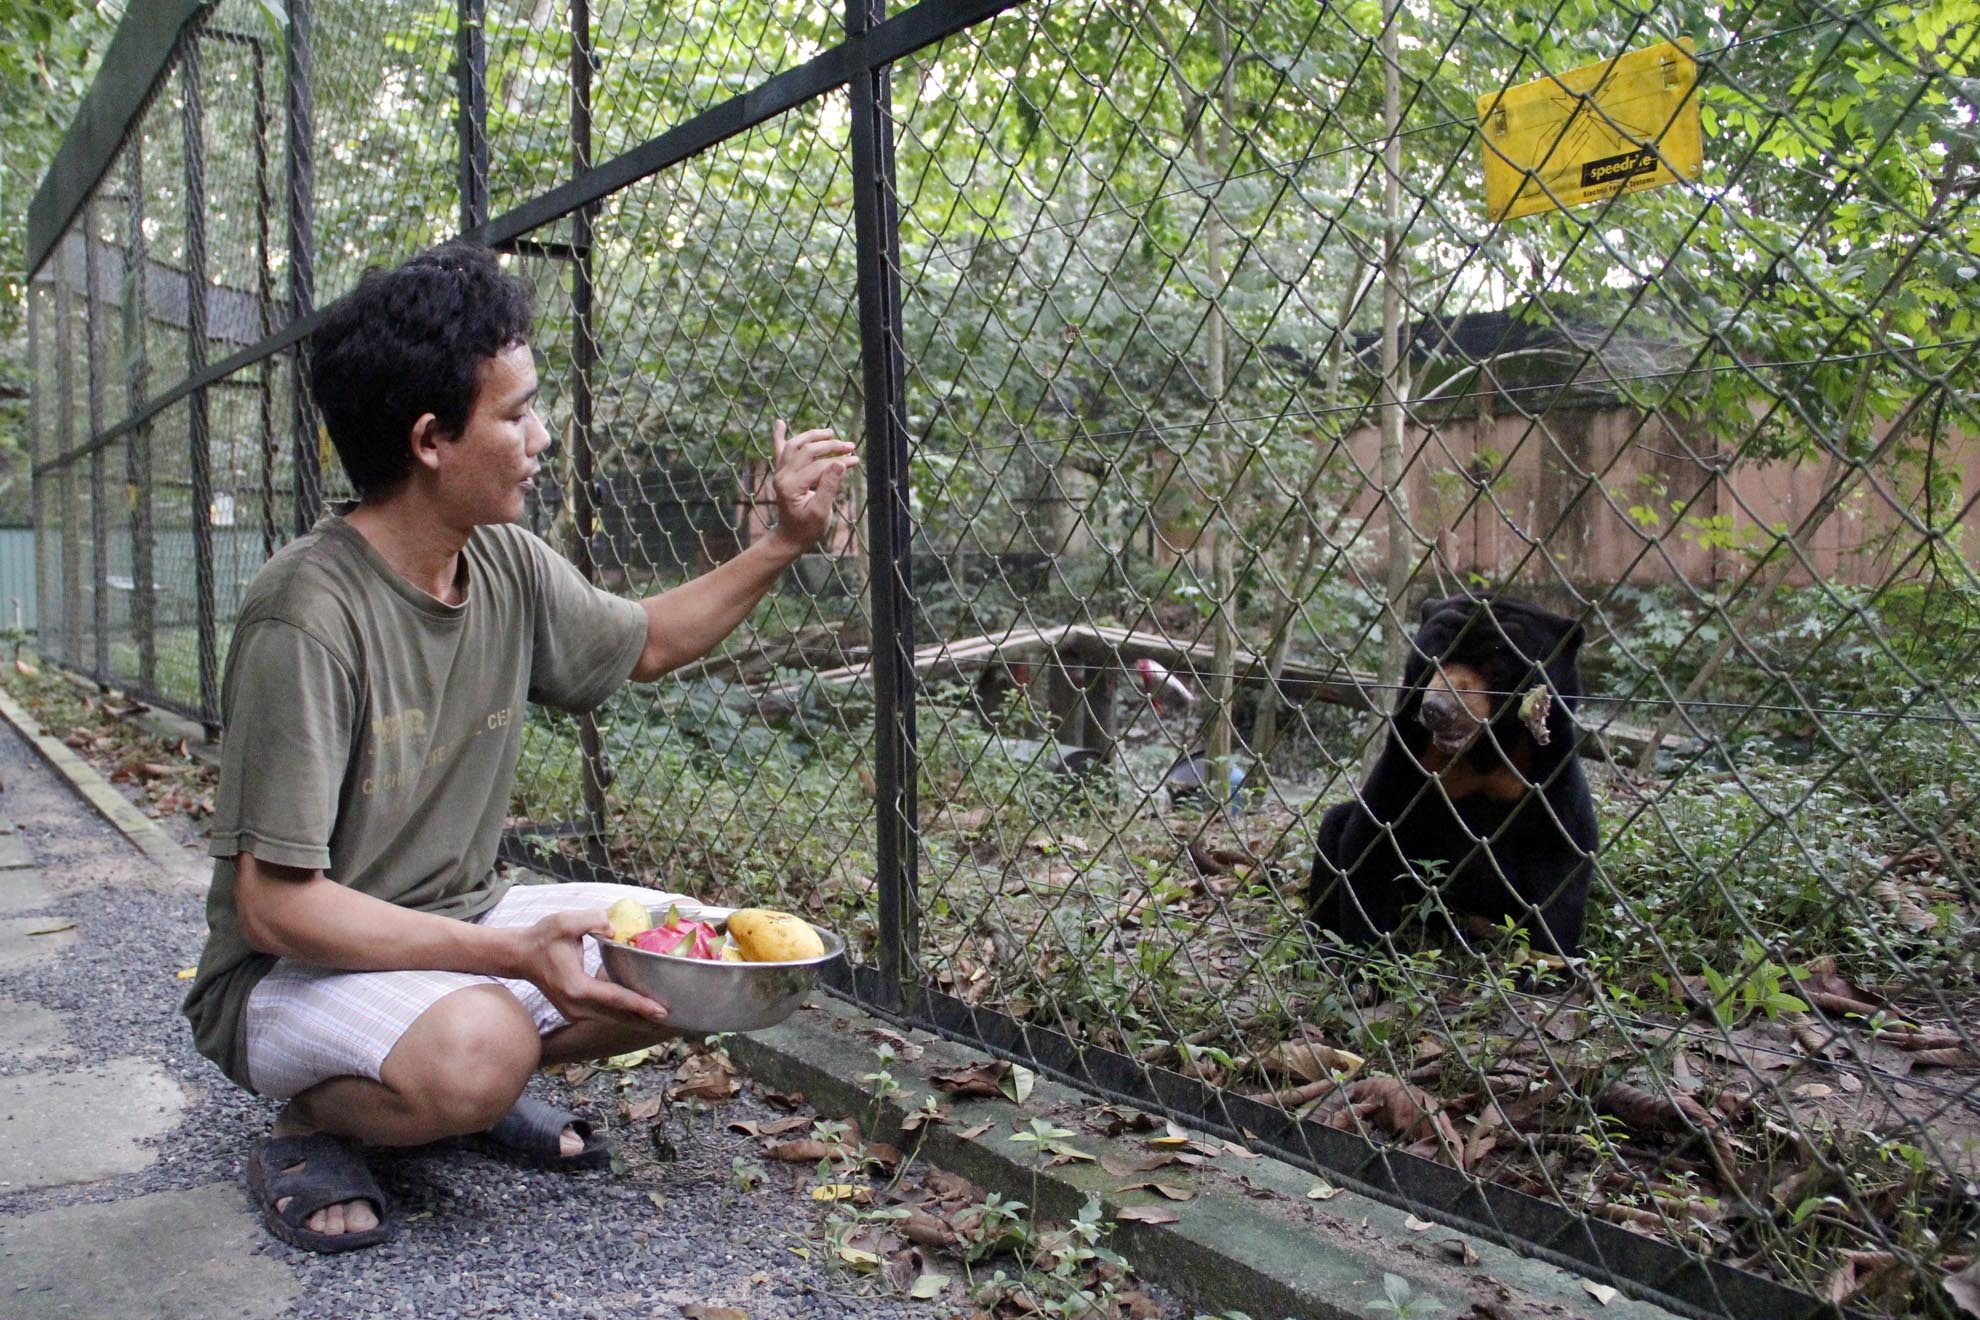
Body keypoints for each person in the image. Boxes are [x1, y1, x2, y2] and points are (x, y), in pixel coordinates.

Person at [181, 242, 856, 1253]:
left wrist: (782, 544)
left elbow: (648, 641)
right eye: (517, 413)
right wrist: (508, 957)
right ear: (430, 440)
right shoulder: (307, 615)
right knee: (484, 1048)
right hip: (286, 978)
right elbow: (275, 907)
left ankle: (456, 1091)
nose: (541, 438)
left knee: (696, 954)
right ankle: (318, 1122)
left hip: (452, 920)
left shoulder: (500, 559)